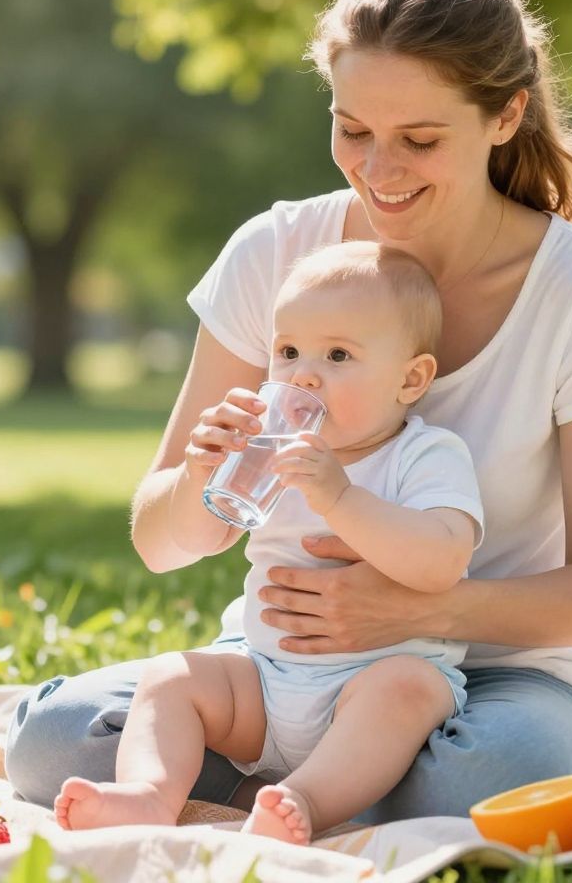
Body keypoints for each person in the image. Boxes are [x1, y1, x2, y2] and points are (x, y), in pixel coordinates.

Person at [5, 0, 572, 826]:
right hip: (286, 666)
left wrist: (406, 611)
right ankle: (302, 796)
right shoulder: (276, 254)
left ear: (506, 116)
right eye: (352, 129)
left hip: (503, 674)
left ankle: (284, 795)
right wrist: (205, 480)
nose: (378, 170)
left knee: (488, 778)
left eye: (419, 140)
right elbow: (163, 542)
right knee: (52, 739)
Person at [54, 241, 483, 843]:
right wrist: (201, 475)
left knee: (407, 691)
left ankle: (299, 803)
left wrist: (340, 497)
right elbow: (202, 538)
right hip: (265, 675)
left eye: (338, 355)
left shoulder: (426, 454)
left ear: (411, 379)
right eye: (287, 352)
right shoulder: (268, 450)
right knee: (172, 676)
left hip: (375, 678)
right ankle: (150, 794)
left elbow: (443, 560)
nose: (304, 374)